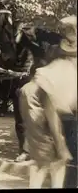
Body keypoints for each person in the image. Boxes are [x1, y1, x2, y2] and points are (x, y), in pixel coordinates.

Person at [19, 15, 77, 188]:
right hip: (35, 104)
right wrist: (60, 145)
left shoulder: (65, 65)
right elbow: (52, 111)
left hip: (39, 100)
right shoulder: (62, 70)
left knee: (56, 162)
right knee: (46, 161)